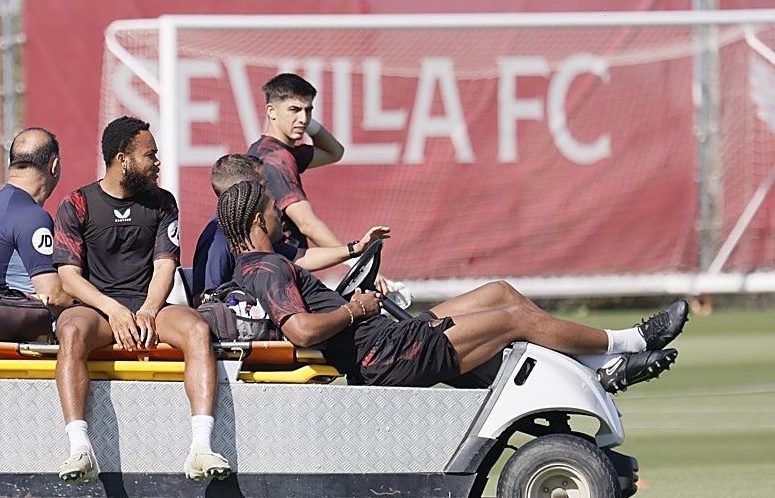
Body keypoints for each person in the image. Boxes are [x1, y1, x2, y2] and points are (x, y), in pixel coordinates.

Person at [217, 180, 686, 393]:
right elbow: (299, 330)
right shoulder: (267, 269)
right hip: (382, 356)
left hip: (386, 342)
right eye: (275, 211)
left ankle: (598, 368)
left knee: (499, 292)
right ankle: (630, 341)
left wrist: (356, 271)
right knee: (514, 321)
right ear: (260, 219)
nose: (283, 216)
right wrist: (355, 309)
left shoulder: (265, 264)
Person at [52, 116, 229, 484]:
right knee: (69, 331)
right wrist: (113, 310)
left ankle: (201, 447)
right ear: (123, 160)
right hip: (99, 312)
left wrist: (148, 309)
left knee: (198, 329)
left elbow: (165, 264)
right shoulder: (77, 203)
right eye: (150, 156)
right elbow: (68, 278)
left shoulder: (163, 202)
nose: (158, 162)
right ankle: (79, 449)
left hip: (151, 308)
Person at [192, 153, 388, 298]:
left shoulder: (252, 233)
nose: (270, 193)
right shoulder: (217, 239)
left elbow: (301, 257)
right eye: (263, 186)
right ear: (243, 191)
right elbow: (206, 300)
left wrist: (355, 249)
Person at [0, 127, 72, 312]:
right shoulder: (32, 217)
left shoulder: (0, 208)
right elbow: (54, 296)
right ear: (53, 166)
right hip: (18, 333)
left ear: (9, 162)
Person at [248, 72, 347, 250]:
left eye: (308, 110)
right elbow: (307, 224)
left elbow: (335, 152)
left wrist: (303, 121)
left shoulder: (273, 150)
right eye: (294, 110)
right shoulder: (275, 160)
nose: (303, 118)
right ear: (271, 111)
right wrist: (355, 259)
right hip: (282, 267)